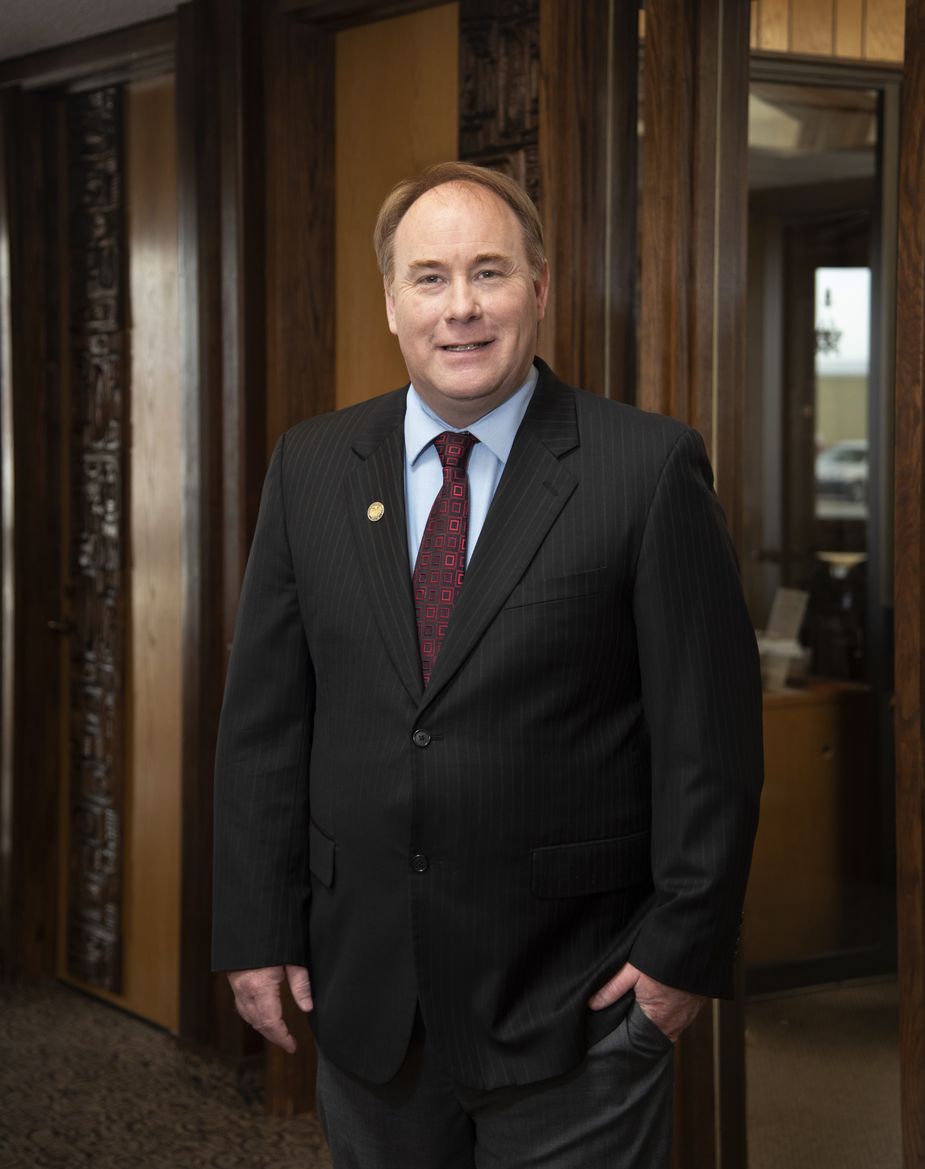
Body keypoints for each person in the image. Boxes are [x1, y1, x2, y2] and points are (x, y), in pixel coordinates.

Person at [212, 161, 763, 1168]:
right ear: (390, 301)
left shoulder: (645, 469)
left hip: (577, 1001)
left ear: (540, 288)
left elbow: (710, 739)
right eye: (429, 277)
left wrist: (679, 949)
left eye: (488, 272)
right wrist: (255, 924)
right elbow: (264, 725)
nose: (459, 307)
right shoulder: (310, 466)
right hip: (369, 994)